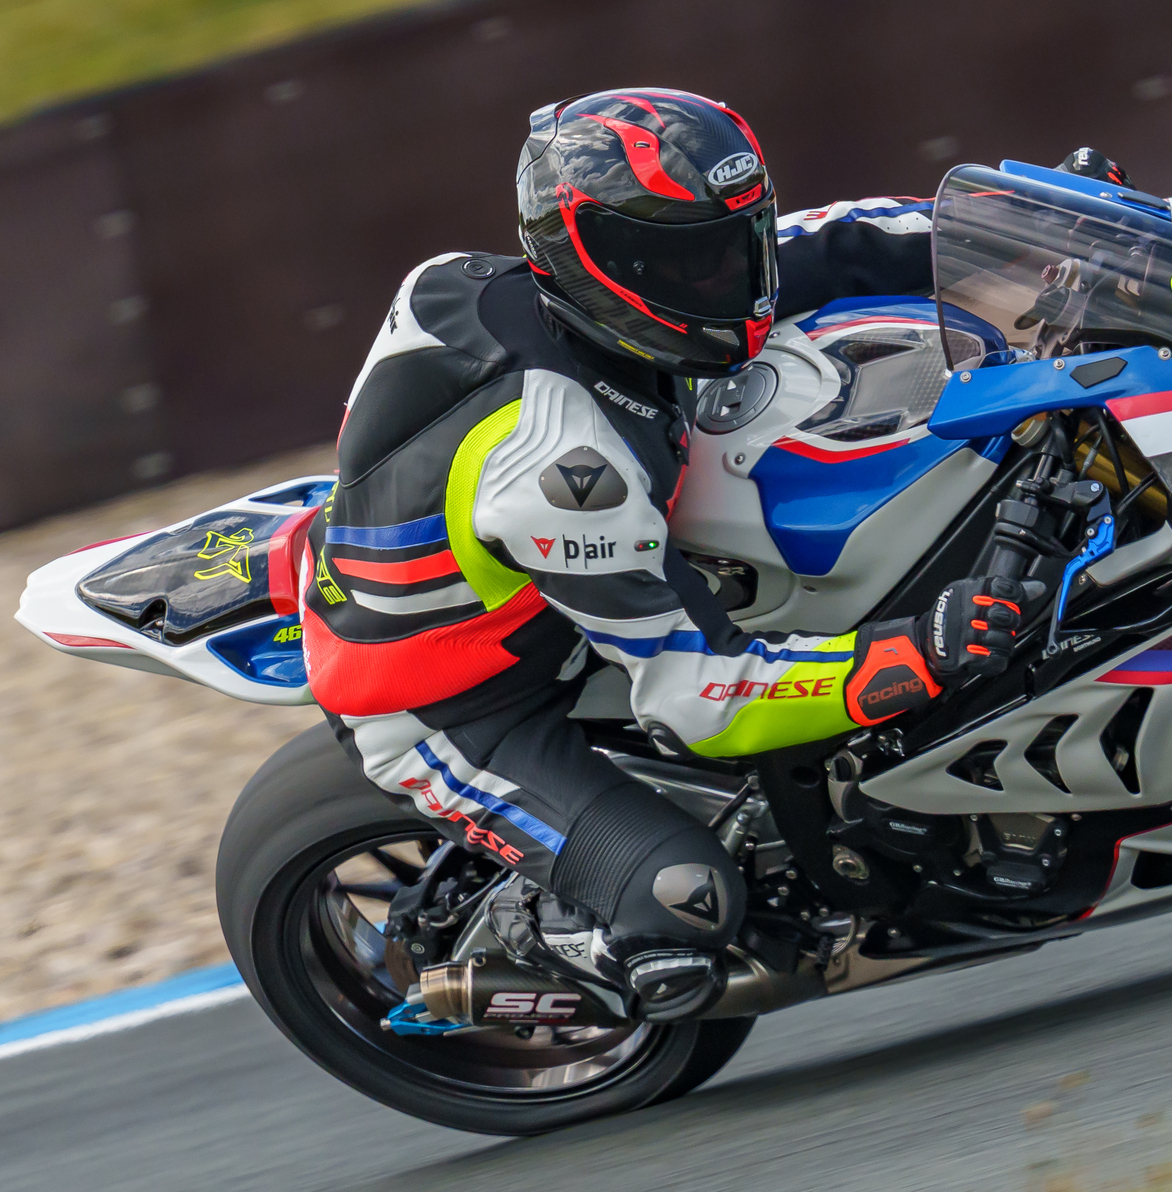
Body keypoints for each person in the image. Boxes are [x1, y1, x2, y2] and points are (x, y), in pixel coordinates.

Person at [301, 86, 1106, 1021]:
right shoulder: (566, 465)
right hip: (457, 701)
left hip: (525, 563)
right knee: (687, 905)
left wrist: (1041, 227)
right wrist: (915, 652)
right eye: (691, 261)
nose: (734, 278)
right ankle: (549, 942)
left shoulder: (491, 285)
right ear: (598, 263)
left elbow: (832, 242)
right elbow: (700, 698)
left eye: (736, 240)